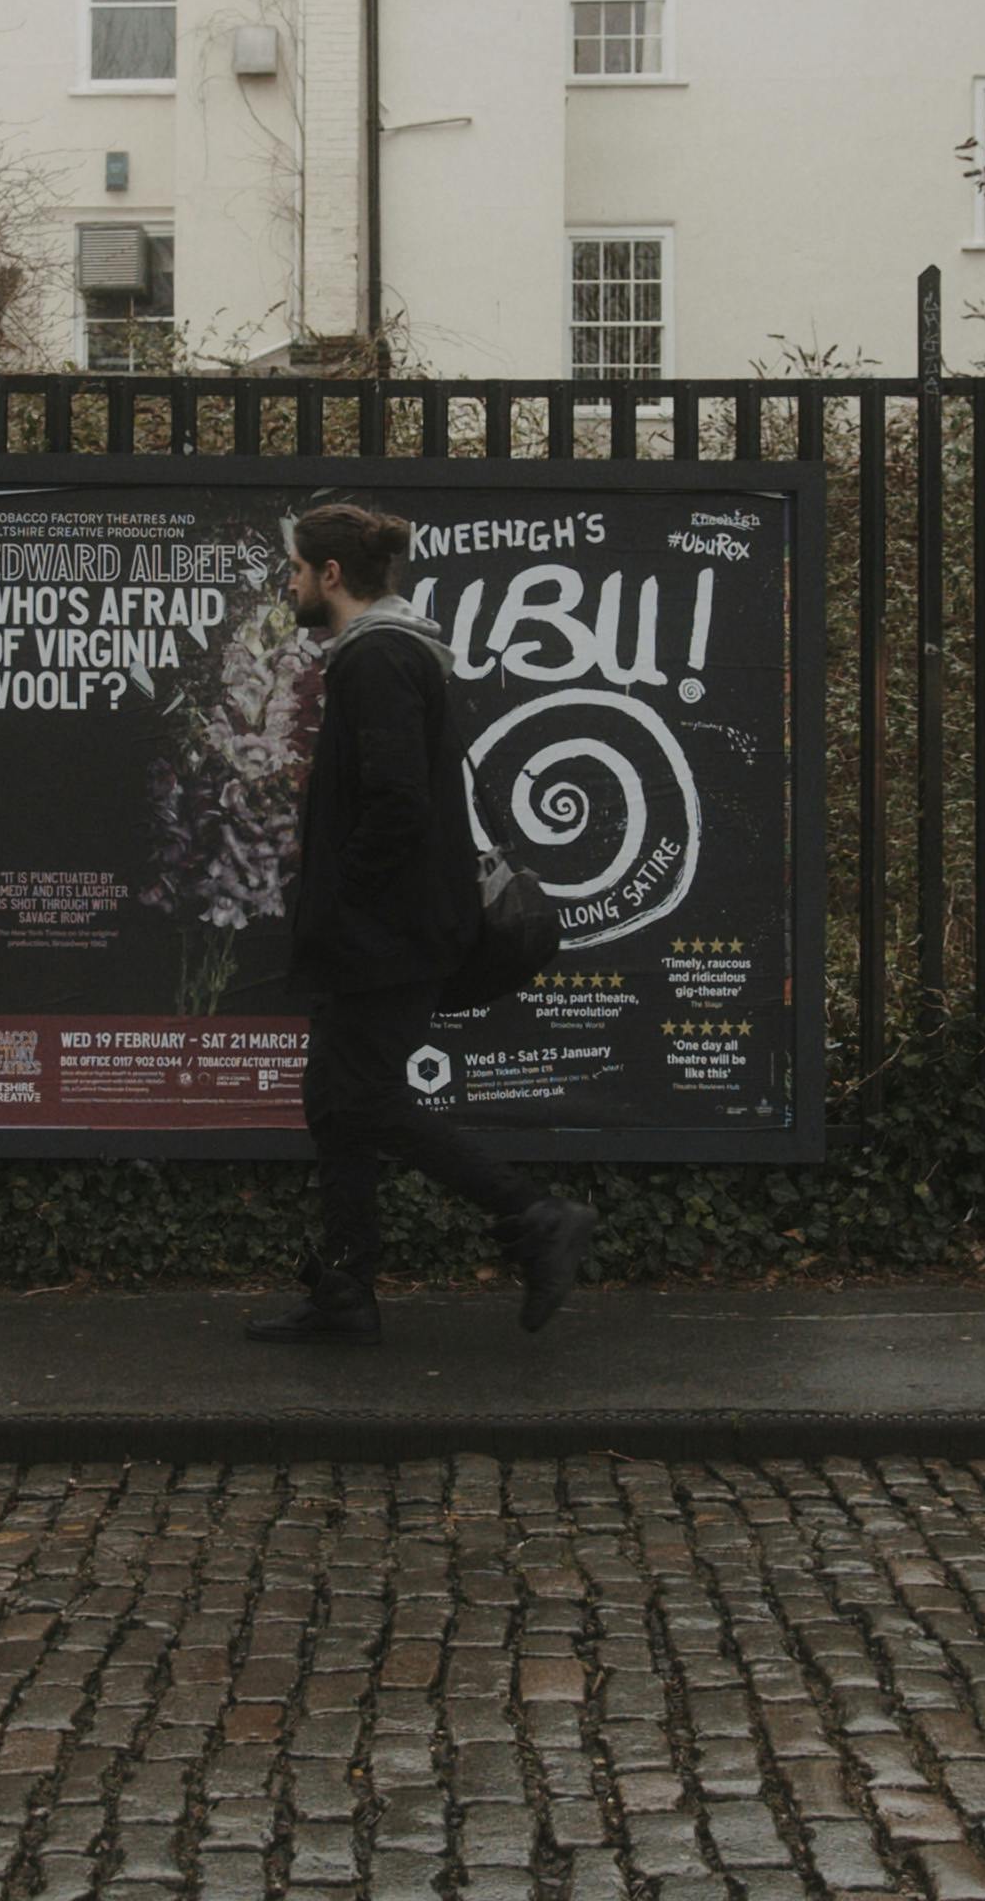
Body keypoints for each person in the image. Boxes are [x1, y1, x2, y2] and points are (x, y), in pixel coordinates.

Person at [252, 503, 597, 1347]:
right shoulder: (394, 653)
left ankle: (534, 1214)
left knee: (362, 1099)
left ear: (330, 575)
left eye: (297, 569)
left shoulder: (378, 659)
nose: (290, 582)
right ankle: (343, 1290)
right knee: (336, 1106)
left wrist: (346, 900)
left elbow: (398, 802)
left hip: (387, 932)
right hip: (384, 929)